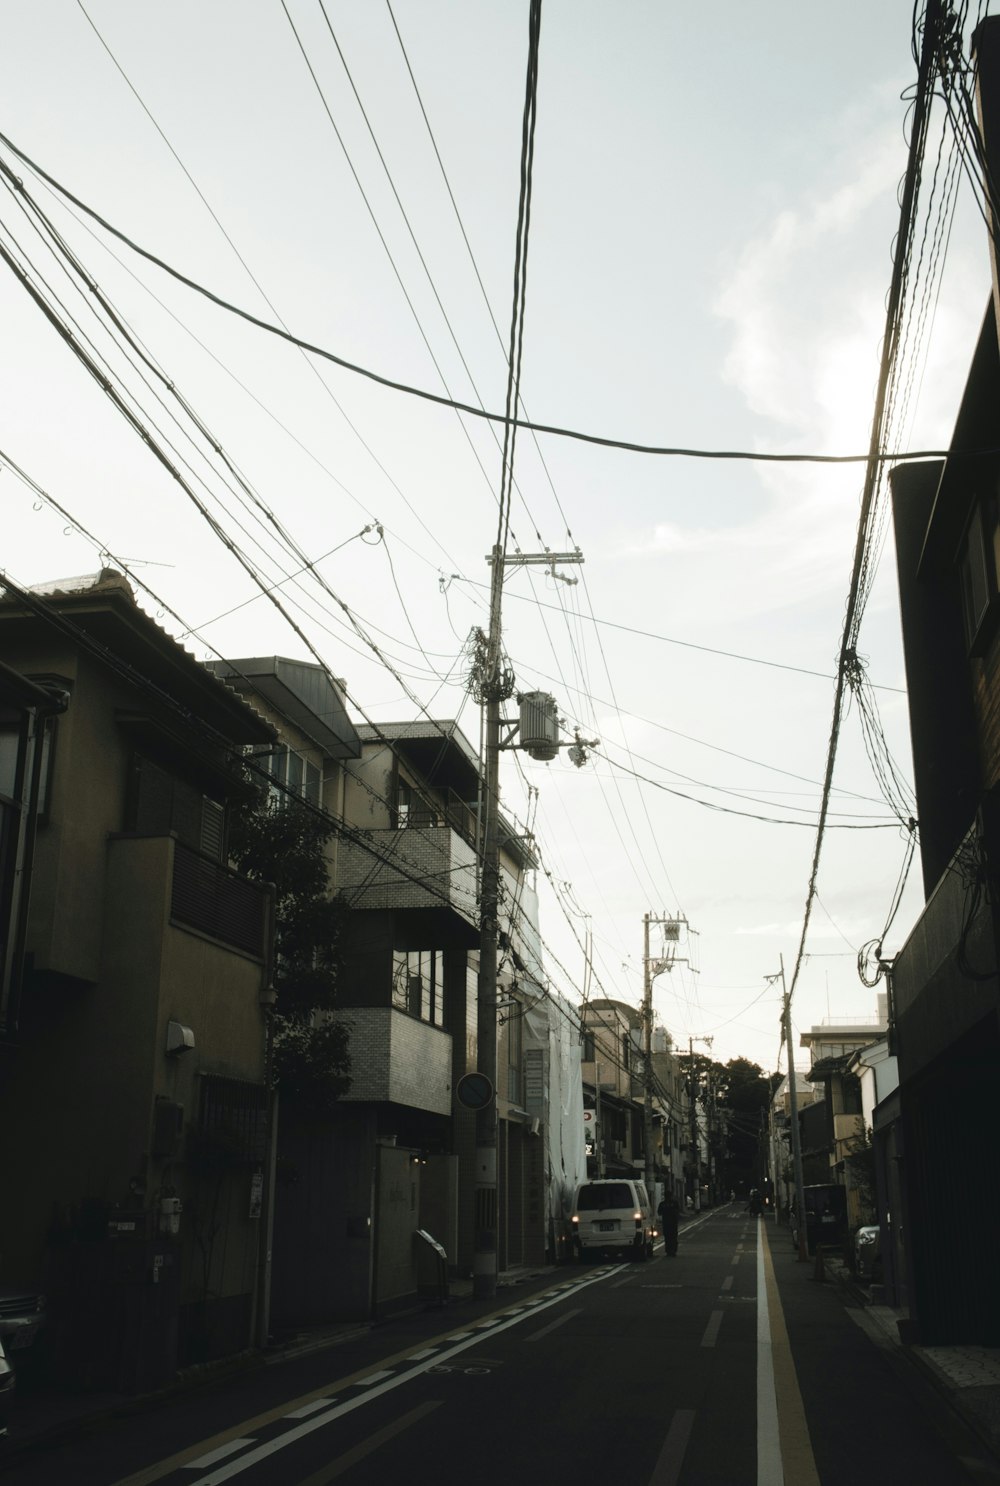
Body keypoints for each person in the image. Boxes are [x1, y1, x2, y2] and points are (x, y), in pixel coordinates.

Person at [658, 1191, 680, 1256]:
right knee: (673, 1237)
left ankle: (668, 1251)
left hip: (666, 1223)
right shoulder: (675, 1203)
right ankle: (673, 1250)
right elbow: (678, 1211)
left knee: (667, 1238)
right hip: (673, 1223)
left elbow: (659, 1212)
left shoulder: (662, 1204)